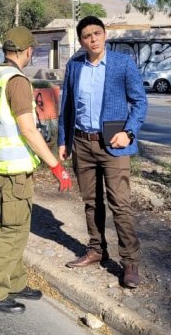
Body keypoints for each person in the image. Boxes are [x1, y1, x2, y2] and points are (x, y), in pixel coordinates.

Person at [0, 26, 73, 314]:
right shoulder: (18, 81)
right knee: (12, 231)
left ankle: (16, 281)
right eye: (32, 49)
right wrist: (56, 166)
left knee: (16, 228)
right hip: (13, 170)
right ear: (26, 51)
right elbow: (28, 131)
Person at [57, 16, 148, 289]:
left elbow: (140, 102)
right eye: (87, 36)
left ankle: (129, 262)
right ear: (81, 40)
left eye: (97, 33)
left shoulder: (122, 64)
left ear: (105, 34)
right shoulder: (74, 66)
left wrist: (129, 132)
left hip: (114, 144)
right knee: (90, 201)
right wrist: (63, 140)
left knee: (120, 204)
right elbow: (66, 108)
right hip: (82, 143)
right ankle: (97, 249)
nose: (92, 39)